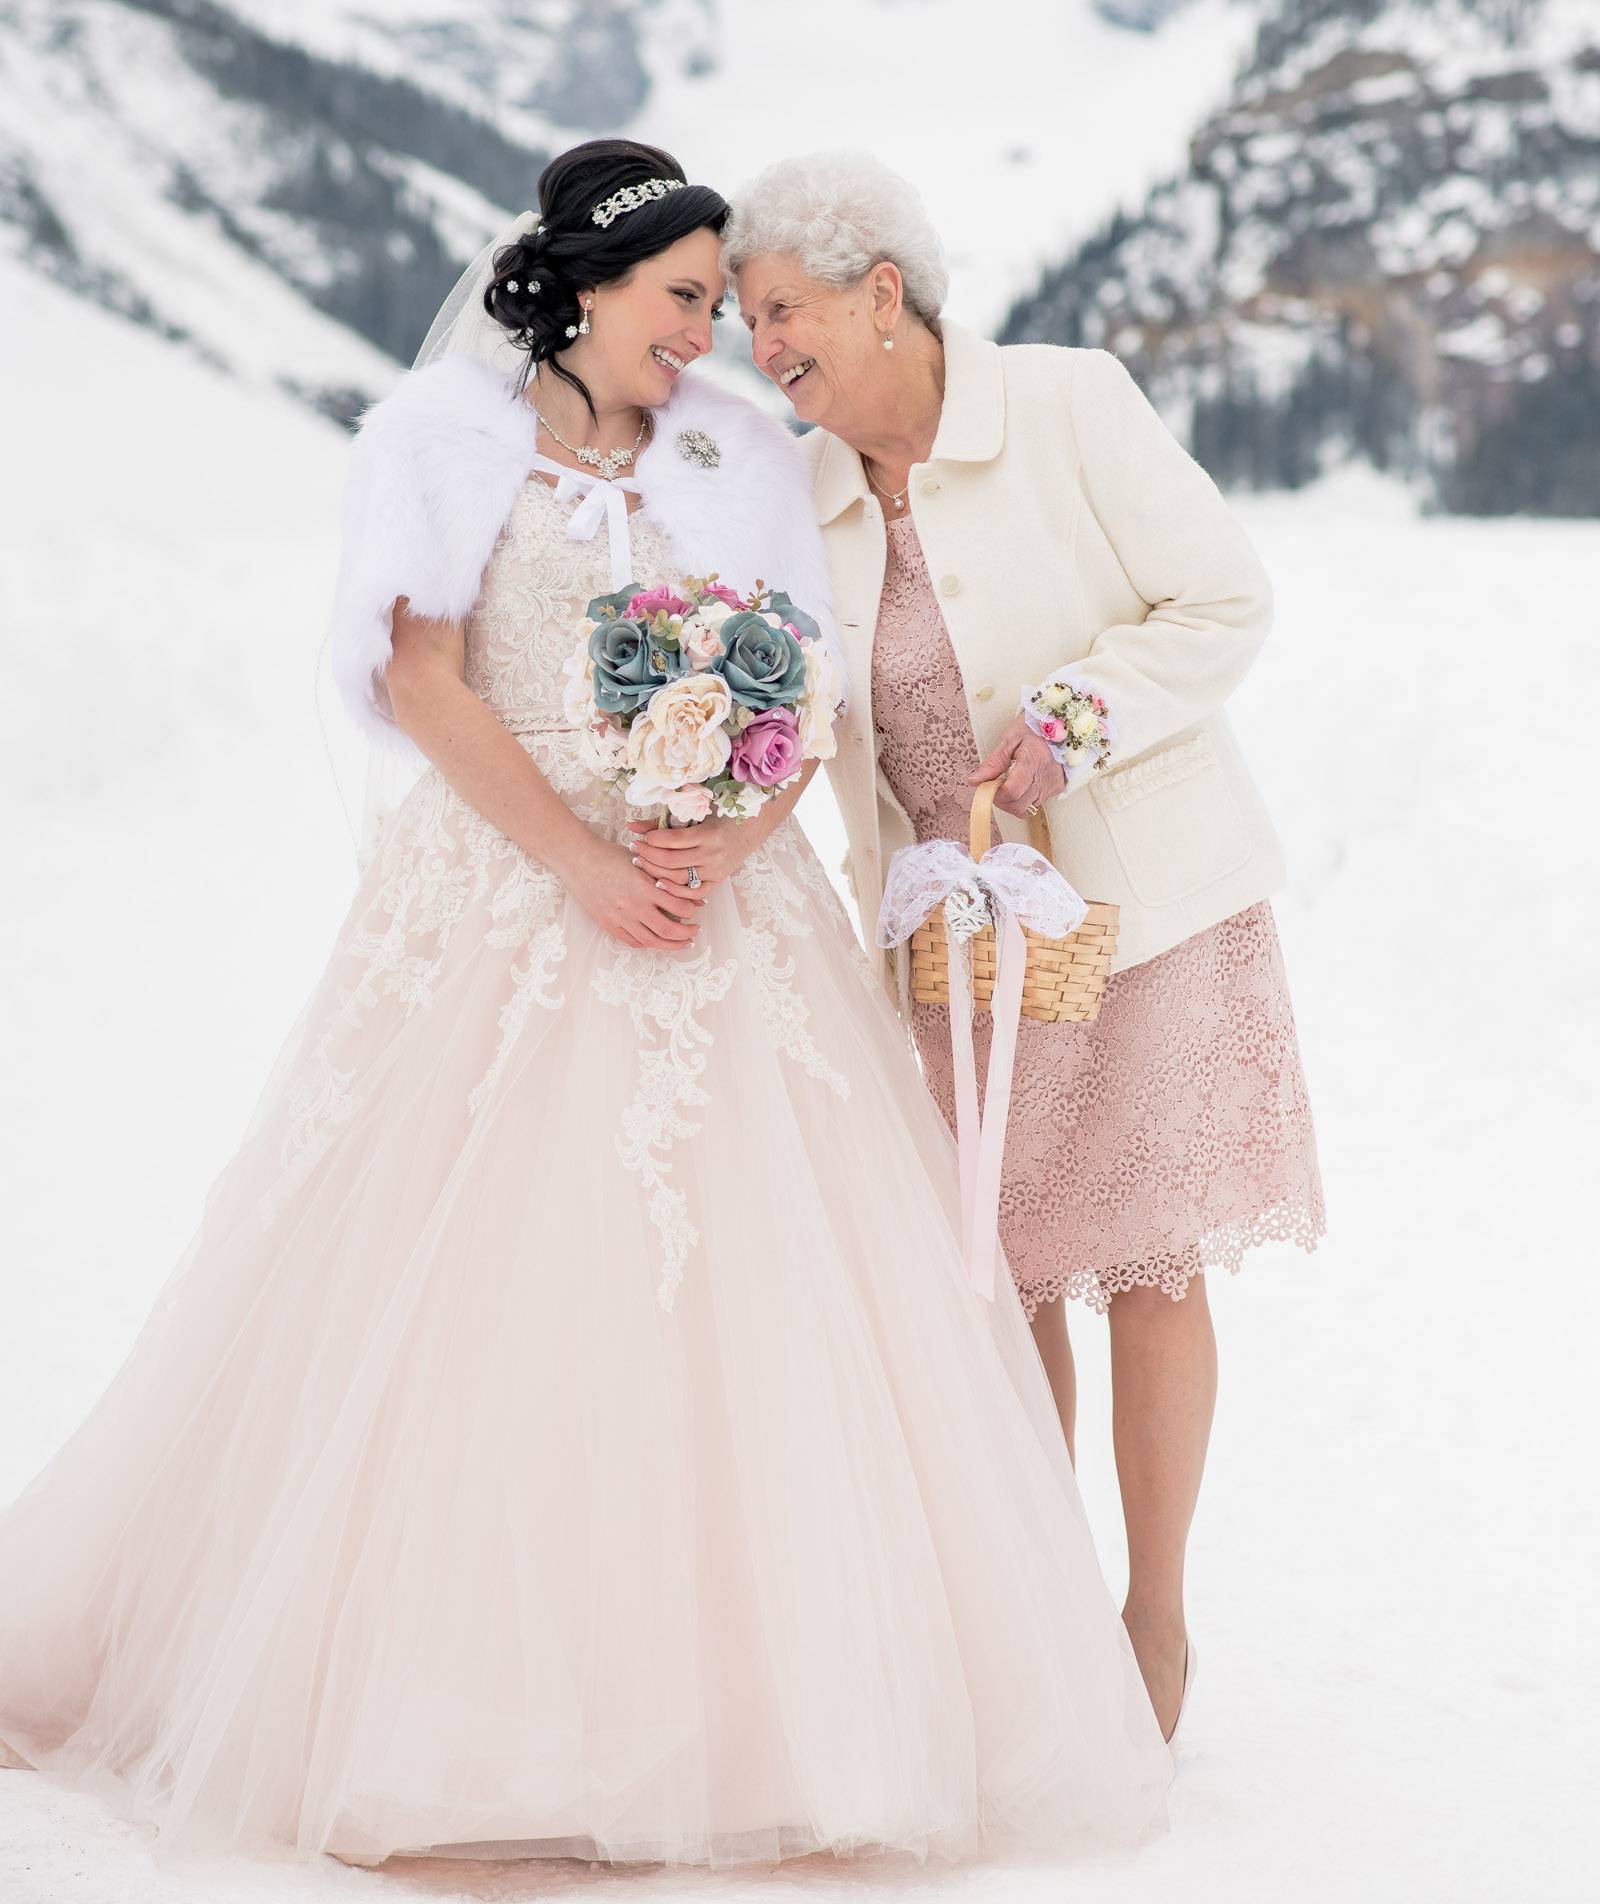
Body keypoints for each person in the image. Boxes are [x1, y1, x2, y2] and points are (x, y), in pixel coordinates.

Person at [0, 140, 1171, 1870]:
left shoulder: (733, 455)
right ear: (591, 284)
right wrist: (582, 862)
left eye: (721, 304)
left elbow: (800, 673)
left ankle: (784, 1710)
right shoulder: (441, 446)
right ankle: (457, 1705)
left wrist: (729, 825)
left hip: (720, 899)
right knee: (460, 1282)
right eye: (685, 299)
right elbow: (420, 680)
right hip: (510, 876)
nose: (706, 339)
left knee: (765, 1301)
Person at [727, 149, 1326, 1744]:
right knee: (995, 1287)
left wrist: (1080, 715)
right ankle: (1034, 1614)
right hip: (944, 940)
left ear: (881, 292)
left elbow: (1221, 601)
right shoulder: (804, 491)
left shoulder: (1066, 404)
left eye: (780, 309)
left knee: (1144, 1262)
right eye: (739, 320)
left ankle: (1154, 1624)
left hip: (1142, 912)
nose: (759, 344)